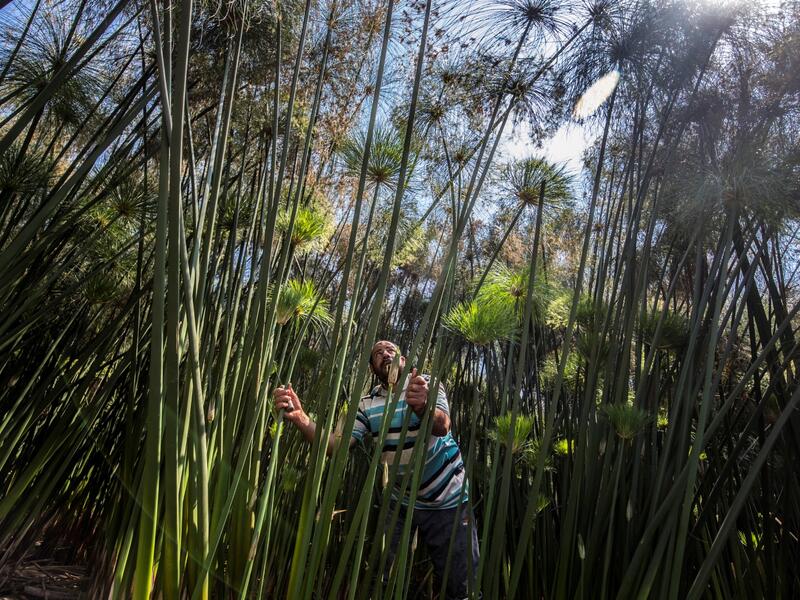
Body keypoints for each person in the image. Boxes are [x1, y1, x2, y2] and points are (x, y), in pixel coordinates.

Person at [273, 340, 479, 599]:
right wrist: (301, 417)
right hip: (399, 502)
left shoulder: (425, 383)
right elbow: (336, 445)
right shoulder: (366, 404)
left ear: (404, 359)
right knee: (386, 581)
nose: (386, 353)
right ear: (372, 368)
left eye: (391, 349)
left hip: (448, 500)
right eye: (378, 353)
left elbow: (443, 426)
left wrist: (423, 406)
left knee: (461, 586)